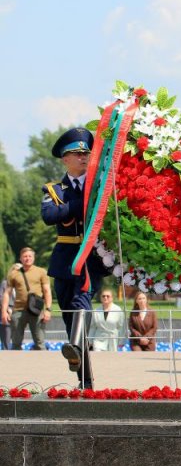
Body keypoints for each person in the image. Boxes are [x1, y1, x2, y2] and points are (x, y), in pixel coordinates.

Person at [42, 128, 107, 388]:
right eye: (77, 154)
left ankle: (75, 348)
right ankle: (84, 375)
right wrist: (83, 201)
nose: (83, 158)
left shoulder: (99, 186)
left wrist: (81, 200)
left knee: (82, 303)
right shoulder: (54, 189)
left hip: (89, 260)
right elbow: (49, 216)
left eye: (86, 154)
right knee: (70, 313)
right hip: (64, 260)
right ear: (64, 159)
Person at [4, 248, 52, 350]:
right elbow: (7, 293)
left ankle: (43, 365)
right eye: (25, 256)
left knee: (40, 342)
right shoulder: (14, 273)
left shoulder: (41, 272)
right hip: (18, 310)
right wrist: (4, 311)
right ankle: (16, 364)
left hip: (36, 310)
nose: (27, 258)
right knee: (16, 343)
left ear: (34, 258)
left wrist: (48, 309)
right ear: (20, 258)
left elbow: (47, 291)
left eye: (30, 256)